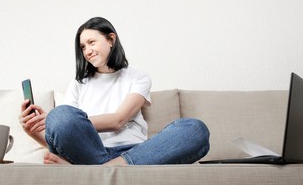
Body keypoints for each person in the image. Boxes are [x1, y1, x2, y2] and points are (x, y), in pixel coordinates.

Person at [19, 17, 210, 165]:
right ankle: (107, 167)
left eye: (92, 42)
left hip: (136, 153)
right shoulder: (78, 84)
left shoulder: (138, 78)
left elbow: (119, 120)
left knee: (195, 129)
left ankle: (107, 167)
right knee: (61, 116)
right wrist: (32, 130)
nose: (87, 51)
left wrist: (79, 123)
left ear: (111, 39)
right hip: (90, 152)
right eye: (83, 47)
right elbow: (65, 134)